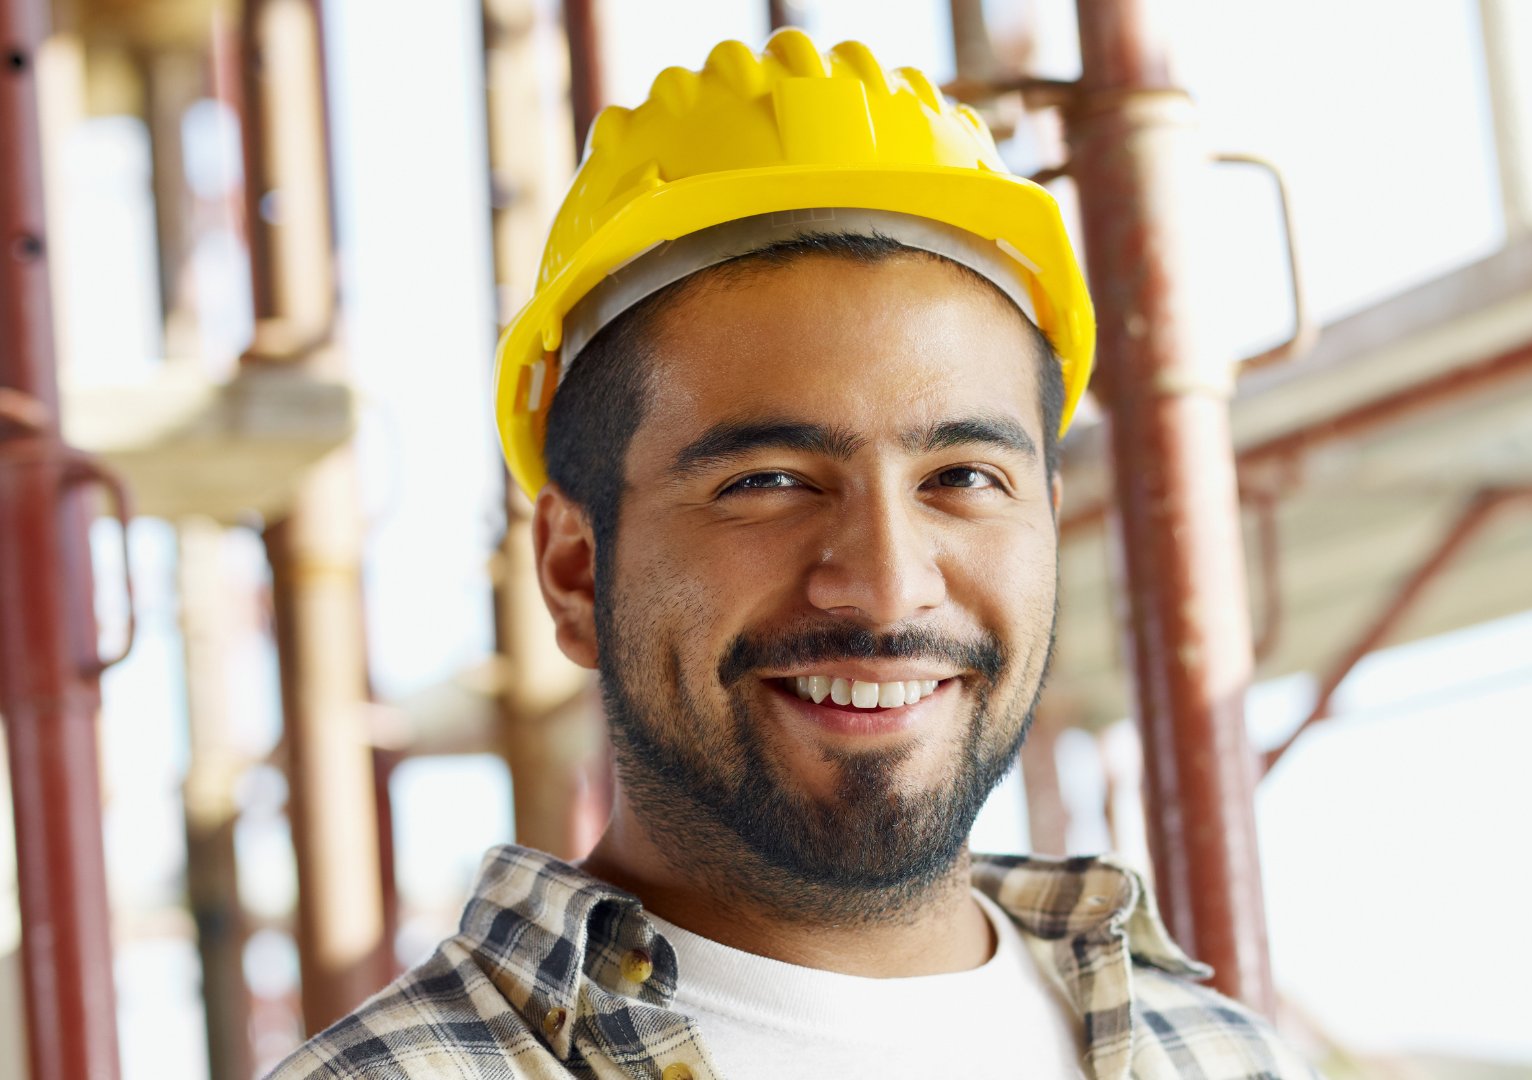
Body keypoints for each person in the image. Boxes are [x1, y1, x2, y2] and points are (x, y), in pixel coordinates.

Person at [268, 29, 1314, 1080]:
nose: (889, 583)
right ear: (576, 571)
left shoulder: (1220, 1057)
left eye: (961, 479)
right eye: (765, 482)